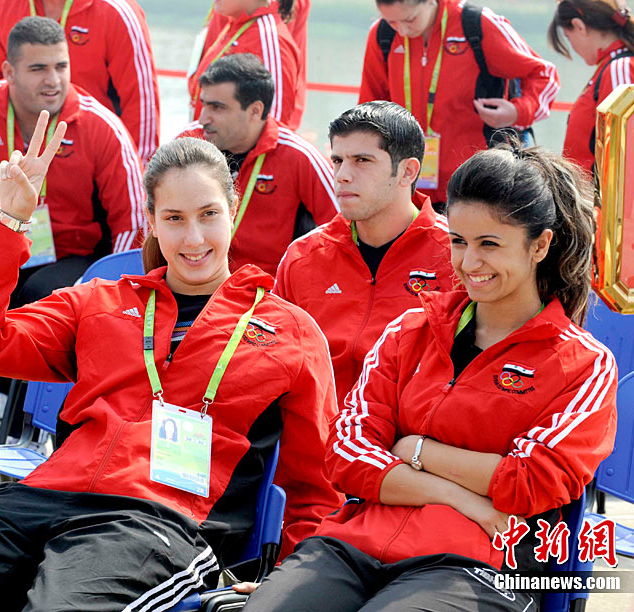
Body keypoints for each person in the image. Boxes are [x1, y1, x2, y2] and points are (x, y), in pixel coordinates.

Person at [0, 129, 343, 611]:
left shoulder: (289, 332)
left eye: (208, 215)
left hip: (158, 521)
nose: (194, 238)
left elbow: (315, 487)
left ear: (233, 212)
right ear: (151, 221)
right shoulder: (99, 302)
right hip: (39, 499)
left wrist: (290, 583)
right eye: (174, 218)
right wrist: (9, 223)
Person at [242, 142, 617, 611]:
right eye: (458, 241)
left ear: (539, 245)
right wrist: (465, 497)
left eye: (489, 244)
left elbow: (529, 482)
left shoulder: (583, 364)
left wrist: (413, 449)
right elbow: (345, 454)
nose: (468, 263)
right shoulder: (410, 331)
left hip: (480, 562)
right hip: (352, 545)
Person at [0, 16, 145, 306]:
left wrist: (113, 290)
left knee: (39, 295)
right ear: (9, 72)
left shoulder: (102, 125)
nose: (53, 80)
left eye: (61, 67)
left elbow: (134, 221)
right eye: (38, 69)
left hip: (71, 258)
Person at [276, 101, 455, 407]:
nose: (342, 175)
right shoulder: (303, 256)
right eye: (337, 160)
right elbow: (275, 361)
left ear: (407, 172)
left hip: (403, 435)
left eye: (362, 160)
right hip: (313, 434)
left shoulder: (456, 256)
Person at [359, 0, 559, 208]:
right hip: (408, 185)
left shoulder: (478, 24)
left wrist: (517, 112)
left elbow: (545, 75)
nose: (403, 30)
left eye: (410, 19)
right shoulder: (382, 34)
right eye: (392, 22)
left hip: (477, 183)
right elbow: (369, 110)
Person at [178, 54, 337, 274]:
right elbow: (150, 221)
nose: (203, 118)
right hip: (194, 281)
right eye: (204, 105)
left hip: (268, 289)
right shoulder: (186, 142)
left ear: (255, 111)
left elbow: (345, 230)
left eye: (217, 108)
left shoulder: (301, 157)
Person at [0, 0, 160, 164]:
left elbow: (141, 104)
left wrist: (141, 177)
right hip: (17, 158)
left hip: (93, 163)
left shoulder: (118, 11)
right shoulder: (5, 4)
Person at [188, 0, 303, 130]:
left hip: (224, 142)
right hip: (208, 139)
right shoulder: (236, 24)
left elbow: (275, 125)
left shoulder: (269, 38)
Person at [549, 0, 634, 175]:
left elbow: (624, 153)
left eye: (568, 36)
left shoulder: (619, 68)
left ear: (579, 26)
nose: (572, 46)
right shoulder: (611, 67)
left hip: (606, 192)